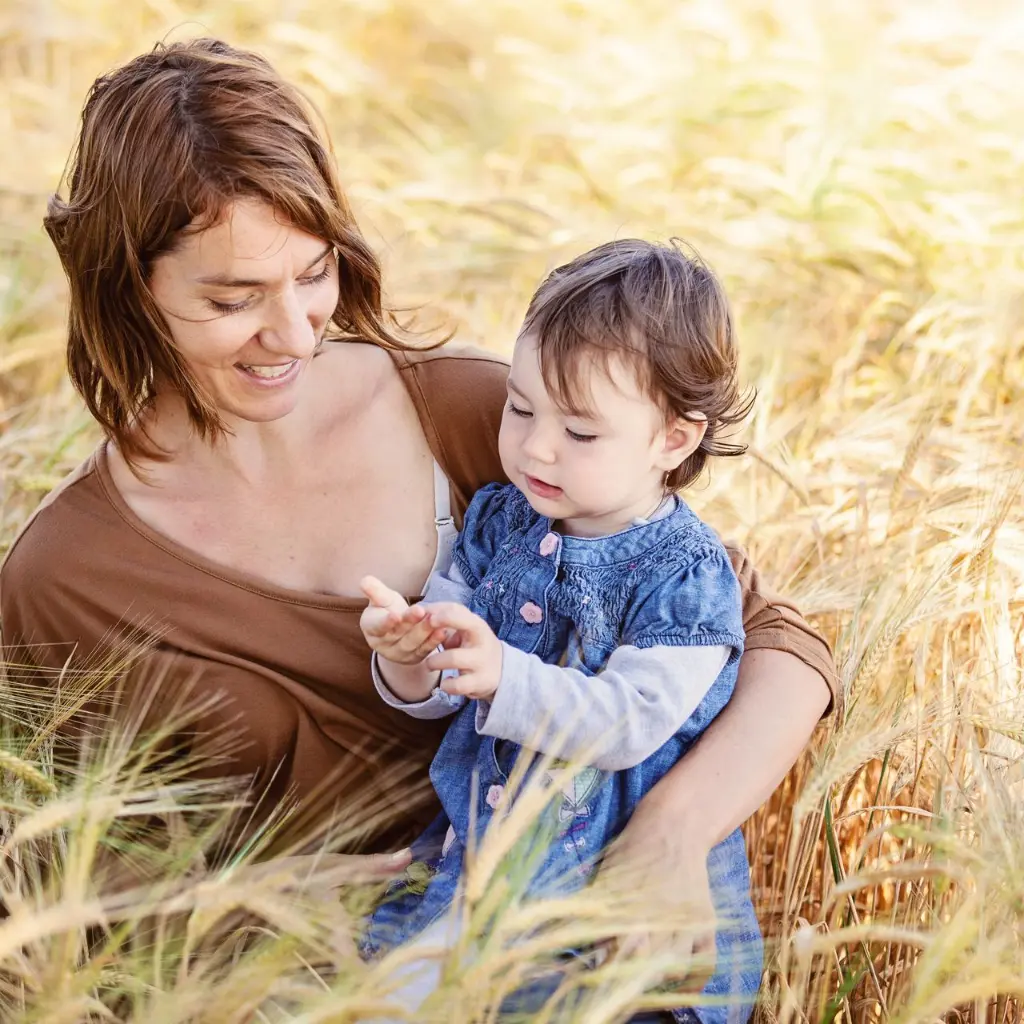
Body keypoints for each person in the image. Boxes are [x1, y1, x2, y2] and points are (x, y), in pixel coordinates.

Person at [0, 38, 838, 1019]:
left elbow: (779, 643)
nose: (295, 332)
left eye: (313, 275)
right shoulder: (67, 577)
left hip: (579, 951)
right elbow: (77, 904)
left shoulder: (474, 414)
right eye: (233, 298)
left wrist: (671, 830)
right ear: (128, 286)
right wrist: (251, 914)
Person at [359, 238, 759, 1022]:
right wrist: (410, 660)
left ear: (673, 440)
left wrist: (505, 675)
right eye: (519, 407)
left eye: (579, 432)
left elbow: (628, 723)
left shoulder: (684, 575)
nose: (536, 446)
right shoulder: (498, 520)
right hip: (481, 872)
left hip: (611, 903)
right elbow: (447, 682)